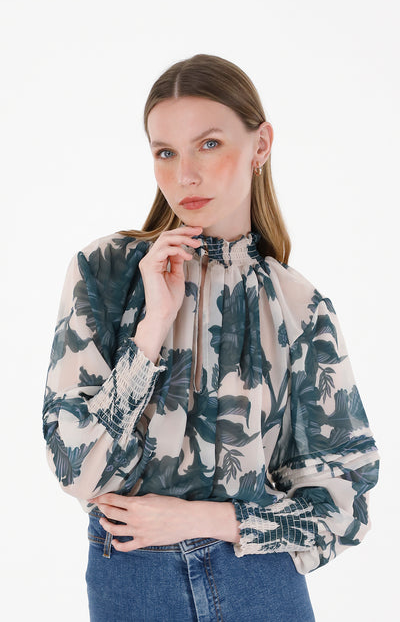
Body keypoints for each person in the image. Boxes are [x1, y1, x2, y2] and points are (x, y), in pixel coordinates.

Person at [42, 53, 380, 622]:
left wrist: (206, 520)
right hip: (134, 583)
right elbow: (76, 470)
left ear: (260, 145)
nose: (186, 175)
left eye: (209, 144)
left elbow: (345, 503)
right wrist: (152, 327)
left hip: (261, 582)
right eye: (165, 152)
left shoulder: (301, 306)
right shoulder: (106, 274)